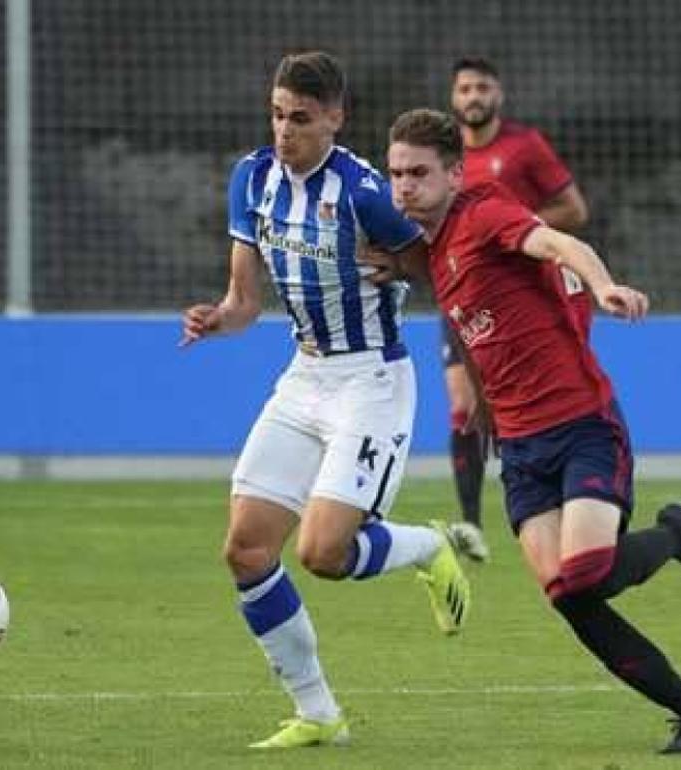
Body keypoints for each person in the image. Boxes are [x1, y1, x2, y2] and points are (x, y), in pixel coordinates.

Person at [371, 107, 681, 754]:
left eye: (418, 173)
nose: (403, 186)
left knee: (588, 572)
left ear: (455, 174)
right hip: (520, 449)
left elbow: (563, 243)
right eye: (395, 173)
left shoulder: (486, 212)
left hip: (581, 425)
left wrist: (602, 286)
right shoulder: (429, 249)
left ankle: (680, 538)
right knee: (568, 595)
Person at [179, 53, 471, 750]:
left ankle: (430, 547)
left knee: (322, 551)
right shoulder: (251, 178)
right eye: (278, 115)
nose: (285, 131)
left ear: (335, 118)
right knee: (247, 550)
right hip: (304, 379)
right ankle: (318, 713)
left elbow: (440, 267)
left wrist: (399, 263)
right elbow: (247, 300)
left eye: (301, 119)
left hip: (371, 382)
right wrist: (220, 318)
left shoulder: (366, 191)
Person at [443, 56, 591, 564]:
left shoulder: (524, 147)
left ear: (498, 95)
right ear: (453, 98)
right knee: (463, 404)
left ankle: (550, 497)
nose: (473, 97)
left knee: (519, 398)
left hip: (520, 295)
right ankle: (469, 522)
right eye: (464, 89)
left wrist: (514, 228)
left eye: (482, 87)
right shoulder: (445, 161)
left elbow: (575, 210)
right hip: (464, 293)